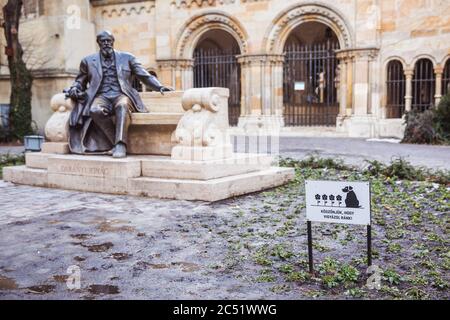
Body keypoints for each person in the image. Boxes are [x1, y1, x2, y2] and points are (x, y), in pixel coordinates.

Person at [67, 30, 172, 158]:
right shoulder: (87, 61)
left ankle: (121, 144)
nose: (106, 43)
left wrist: (159, 86)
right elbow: (80, 81)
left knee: (122, 106)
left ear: (113, 42)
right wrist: (74, 88)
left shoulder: (127, 58)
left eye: (109, 41)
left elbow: (144, 75)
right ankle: (115, 142)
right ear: (98, 43)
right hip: (101, 96)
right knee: (94, 110)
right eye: (103, 41)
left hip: (122, 94)